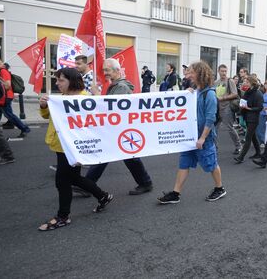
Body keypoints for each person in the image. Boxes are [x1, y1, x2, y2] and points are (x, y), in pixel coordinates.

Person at [37, 68, 113, 231]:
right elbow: (46, 116)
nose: (57, 83)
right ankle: (103, 196)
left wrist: (97, 96)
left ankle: (63, 216)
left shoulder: (84, 99)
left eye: (61, 80)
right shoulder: (61, 98)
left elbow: (99, 119)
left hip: (72, 147)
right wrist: (44, 106)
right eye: (56, 80)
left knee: (62, 181)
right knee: (74, 178)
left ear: (72, 81)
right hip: (60, 145)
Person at [158, 61, 226, 204]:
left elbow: (210, 119)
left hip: (204, 137)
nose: (188, 75)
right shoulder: (194, 91)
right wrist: (188, 94)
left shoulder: (210, 95)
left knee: (211, 163)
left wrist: (202, 138)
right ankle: (176, 193)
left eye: (191, 73)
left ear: (200, 74)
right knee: (184, 163)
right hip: (190, 136)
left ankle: (219, 188)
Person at [83, 59, 154, 195]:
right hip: (117, 128)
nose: (105, 73)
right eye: (104, 70)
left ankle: (87, 185)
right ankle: (145, 182)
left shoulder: (121, 87)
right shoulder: (116, 85)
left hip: (120, 128)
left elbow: (111, 107)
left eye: (107, 70)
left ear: (117, 70)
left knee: (113, 155)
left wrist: (96, 94)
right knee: (126, 156)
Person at [0, 57, 30, 138]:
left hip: (5, 96)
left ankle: (25, 128)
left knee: (8, 115)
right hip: (0, 96)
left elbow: (7, 85)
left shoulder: (3, 71)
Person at [234, 75, 263, 163]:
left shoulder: (258, 93)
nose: (245, 83)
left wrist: (249, 108)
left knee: (248, 137)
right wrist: (241, 105)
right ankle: (258, 152)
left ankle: (241, 157)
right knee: (253, 136)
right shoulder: (248, 92)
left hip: (253, 118)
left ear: (252, 83)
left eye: (247, 82)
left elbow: (260, 107)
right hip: (247, 117)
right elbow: (244, 101)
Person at [214, 64, 242, 154]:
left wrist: (223, 98)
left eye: (225, 71)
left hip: (227, 107)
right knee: (214, 128)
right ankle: (215, 147)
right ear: (218, 71)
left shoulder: (230, 81)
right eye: (222, 71)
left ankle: (238, 146)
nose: (224, 73)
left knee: (230, 128)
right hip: (217, 108)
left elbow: (234, 94)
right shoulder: (216, 82)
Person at [257, 80, 267, 147]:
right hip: (261, 111)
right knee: (260, 127)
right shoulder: (261, 92)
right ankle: (262, 141)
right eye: (266, 84)